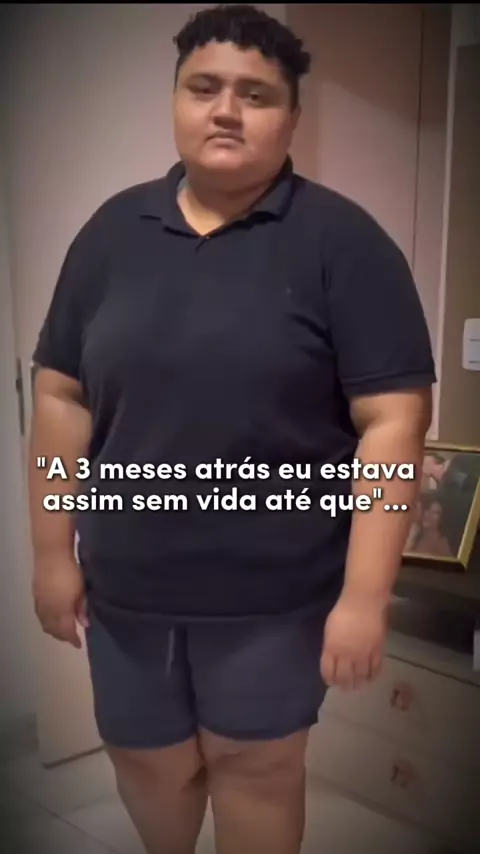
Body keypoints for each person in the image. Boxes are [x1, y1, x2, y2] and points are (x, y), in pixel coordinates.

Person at [28, 5, 436, 854]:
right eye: (203, 87)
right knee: (148, 765)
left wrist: (364, 599)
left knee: (256, 770)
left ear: (292, 115)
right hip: (127, 593)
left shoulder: (344, 245)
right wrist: (51, 553)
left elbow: (393, 422)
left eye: (255, 94)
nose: (225, 110)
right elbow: (62, 395)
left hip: (275, 601)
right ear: (175, 100)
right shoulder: (110, 235)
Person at [408, 492, 453, 558]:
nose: (438, 517)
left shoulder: (433, 535)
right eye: (435, 512)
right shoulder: (418, 531)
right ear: (425, 513)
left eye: (439, 513)